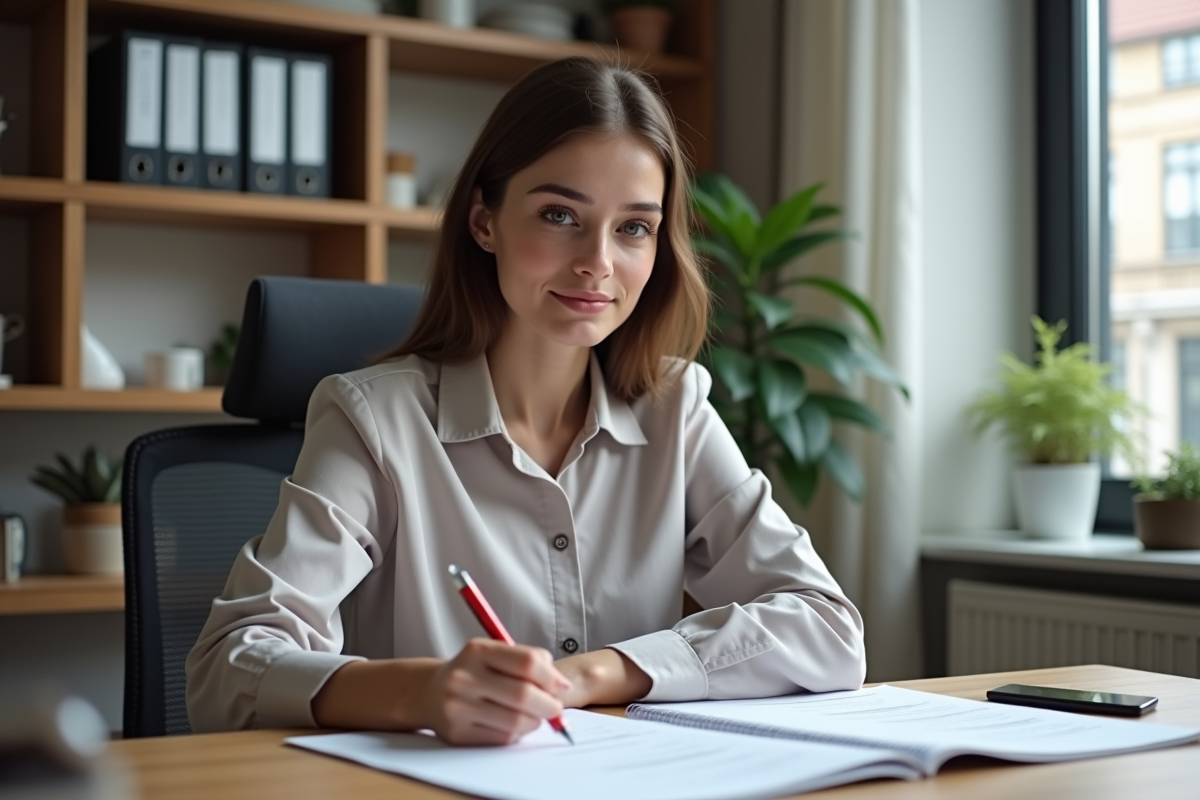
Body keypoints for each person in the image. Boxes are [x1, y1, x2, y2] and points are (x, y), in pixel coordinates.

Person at [186, 56, 866, 746]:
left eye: (634, 227)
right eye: (559, 214)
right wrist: (423, 690)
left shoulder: (676, 408)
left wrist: (598, 674)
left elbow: (828, 626)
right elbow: (226, 669)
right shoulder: (374, 420)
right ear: (485, 221)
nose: (597, 261)